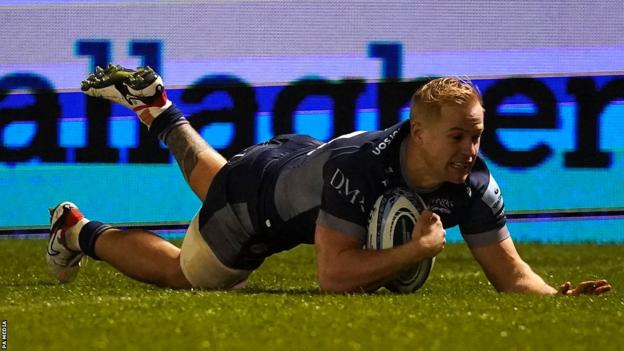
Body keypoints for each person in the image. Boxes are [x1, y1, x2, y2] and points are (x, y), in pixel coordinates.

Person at [46, 64, 610, 296]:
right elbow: (334, 275)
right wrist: (418, 249)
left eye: (477, 135)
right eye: (457, 137)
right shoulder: (362, 168)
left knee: (223, 180)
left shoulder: (474, 182)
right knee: (190, 273)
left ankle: (159, 108)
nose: (471, 150)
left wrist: (555, 297)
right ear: (418, 132)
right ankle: (77, 230)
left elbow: (511, 274)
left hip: (290, 159)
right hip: (257, 202)